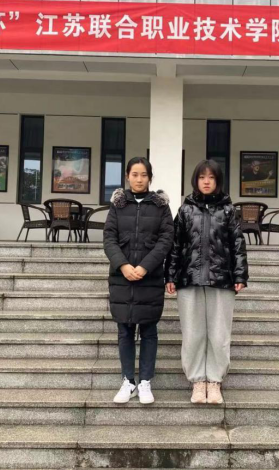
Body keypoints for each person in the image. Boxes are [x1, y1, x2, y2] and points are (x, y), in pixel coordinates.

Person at [165, 159, 249, 405]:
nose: (206, 181)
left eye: (211, 177)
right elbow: (175, 246)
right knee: (192, 334)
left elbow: (238, 244)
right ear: (195, 180)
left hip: (221, 279)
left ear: (218, 181)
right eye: (202, 177)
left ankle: (214, 381)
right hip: (189, 279)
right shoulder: (185, 210)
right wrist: (170, 275)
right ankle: (197, 381)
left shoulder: (228, 210)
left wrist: (240, 275)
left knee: (219, 334)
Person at [103, 157, 174, 405]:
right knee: (124, 330)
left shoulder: (161, 206)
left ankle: (145, 381)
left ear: (150, 178)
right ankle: (128, 381)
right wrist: (123, 265)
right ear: (127, 176)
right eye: (135, 174)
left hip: (149, 277)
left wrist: (145, 266)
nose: (139, 179)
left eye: (144, 175)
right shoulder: (118, 205)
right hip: (121, 278)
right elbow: (109, 238)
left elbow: (166, 240)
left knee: (149, 331)